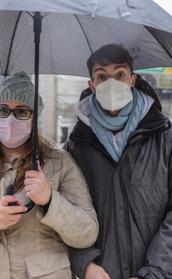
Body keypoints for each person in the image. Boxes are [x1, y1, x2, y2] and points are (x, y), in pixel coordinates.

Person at [0, 72, 99, 279]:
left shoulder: (60, 162)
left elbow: (87, 232)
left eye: (22, 112)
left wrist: (50, 201)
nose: (10, 119)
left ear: (34, 117)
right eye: (3, 110)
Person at [66, 44, 172, 279]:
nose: (111, 83)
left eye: (120, 74)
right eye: (102, 76)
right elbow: (67, 215)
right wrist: (84, 263)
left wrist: (154, 272)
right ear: (92, 85)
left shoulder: (164, 138)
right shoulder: (76, 145)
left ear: (132, 79)